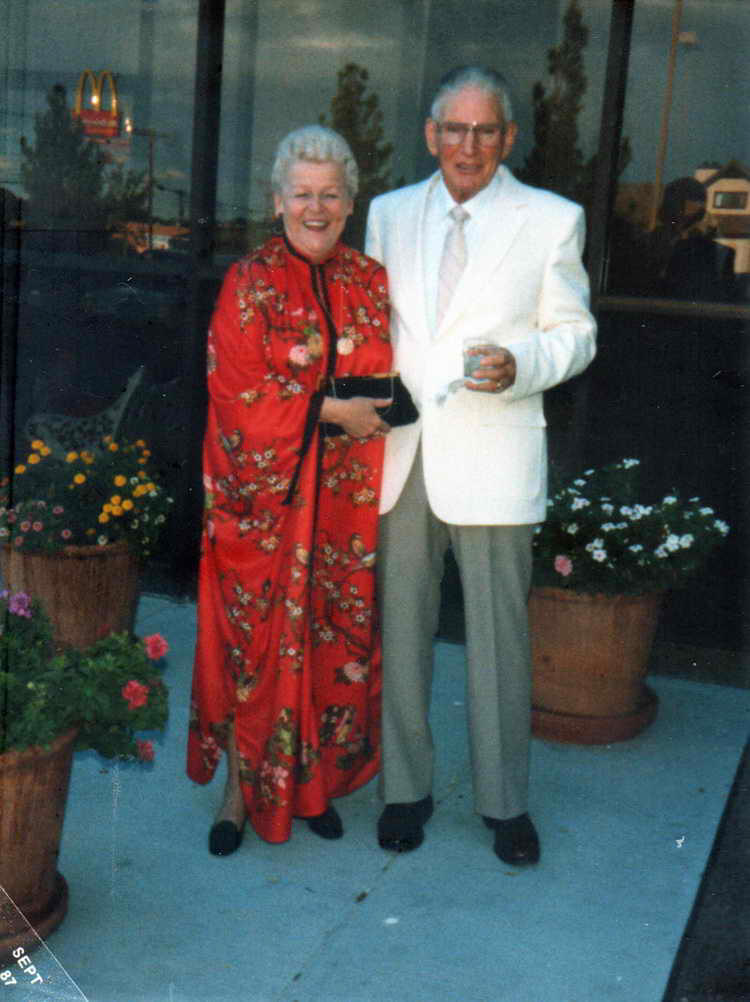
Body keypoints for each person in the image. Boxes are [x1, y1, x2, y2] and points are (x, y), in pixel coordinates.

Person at [365, 66, 597, 864]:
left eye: (486, 130)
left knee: (499, 641)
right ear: (432, 135)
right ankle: (405, 790)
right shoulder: (388, 213)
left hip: (495, 455)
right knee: (402, 630)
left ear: (508, 138)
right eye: (455, 130)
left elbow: (576, 333)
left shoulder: (552, 219)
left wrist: (524, 363)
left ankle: (504, 804)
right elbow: (370, 326)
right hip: (403, 454)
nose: (469, 146)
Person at [187, 125, 393, 853]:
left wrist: (376, 405)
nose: (316, 208)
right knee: (257, 645)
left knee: (330, 640)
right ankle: (238, 795)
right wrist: (329, 410)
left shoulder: (370, 279)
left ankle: (313, 786)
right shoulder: (249, 281)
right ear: (277, 202)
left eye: (331, 194)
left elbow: (385, 374)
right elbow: (235, 392)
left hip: (341, 504)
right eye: (302, 193)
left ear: (350, 203)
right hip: (262, 506)